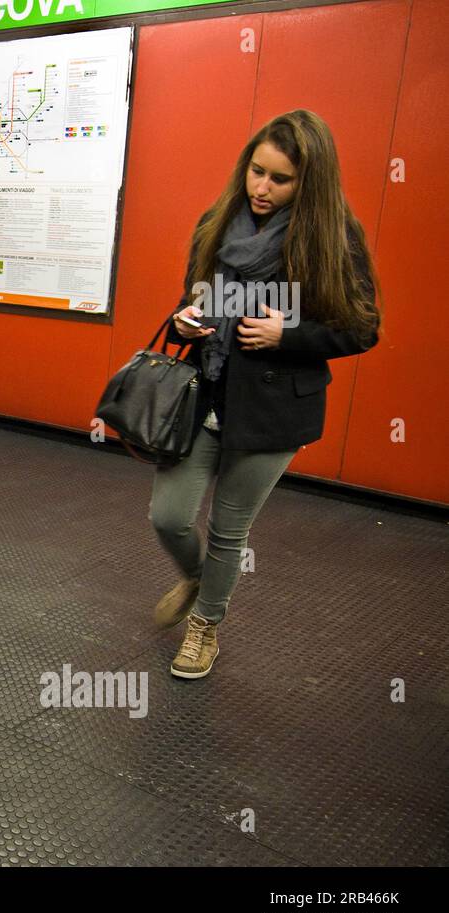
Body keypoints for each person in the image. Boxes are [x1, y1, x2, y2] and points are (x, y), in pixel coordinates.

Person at [151, 109, 381, 679]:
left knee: (229, 531)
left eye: (281, 179)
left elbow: (362, 328)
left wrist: (288, 334)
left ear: (309, 182)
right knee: (169, 516)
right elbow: (195, 296)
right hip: (204, 395)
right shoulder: (217, 221)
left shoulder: (332, 236)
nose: (262, 188)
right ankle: (200, 577)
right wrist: (184, 320)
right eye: (257, 171)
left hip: (273, 410)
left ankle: (205, 626)